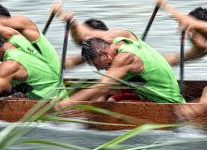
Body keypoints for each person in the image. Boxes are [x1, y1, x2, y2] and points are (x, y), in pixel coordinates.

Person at [55, 12, 185, 107]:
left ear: (105, 54)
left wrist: (66, 104)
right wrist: (72, 23)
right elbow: (85, 36)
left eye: (97, 65)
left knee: (113, 103)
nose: (99, 69)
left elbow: (101, 87)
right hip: (149, 93)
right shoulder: (124, 37)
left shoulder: (125, 58)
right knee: (110, 95)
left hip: (168, 103)